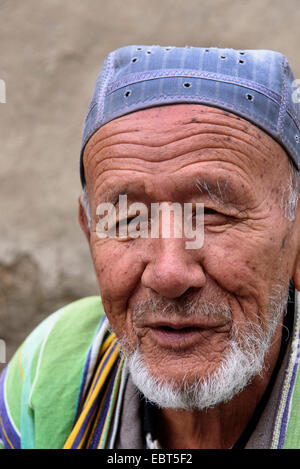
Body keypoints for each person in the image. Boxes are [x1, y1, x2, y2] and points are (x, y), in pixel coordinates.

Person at [1, 45, 300, 450]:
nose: (169, 274)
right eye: (127, 219)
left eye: (212, 213)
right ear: (90, 233)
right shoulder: (52, 367)